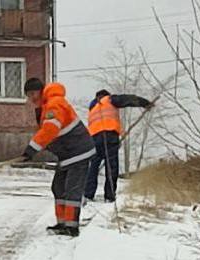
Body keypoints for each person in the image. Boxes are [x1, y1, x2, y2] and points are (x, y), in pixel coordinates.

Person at [20, 77, 96, 237]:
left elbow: (50, 130)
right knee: (58, 187)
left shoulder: (55, 104)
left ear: (41, 91)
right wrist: (31, 152)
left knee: (72, 189)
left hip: (78, 152)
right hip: (68, 154)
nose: (32, 98)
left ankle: (71, 227)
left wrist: (32, 149)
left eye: (33, 93)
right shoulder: (46, 106)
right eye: (28, 95)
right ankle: (62, 223)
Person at [84, 89, 153, 203]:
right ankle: (109, 196)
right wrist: (145, 103)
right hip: (109, 136)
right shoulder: (110, 99)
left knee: (93, 167)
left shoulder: (93, 107)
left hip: (94, 139)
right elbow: (128, 99)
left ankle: (88, 194)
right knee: (111, 166)